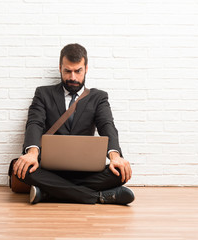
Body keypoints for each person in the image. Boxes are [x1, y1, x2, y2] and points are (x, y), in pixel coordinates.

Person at [13, 43, 135, 205]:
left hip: (84, 172)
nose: (73, 77)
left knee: (119, 172)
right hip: (50, 169)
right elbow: (35, 123)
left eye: (78, 71)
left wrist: (115, 157)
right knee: (22, 169)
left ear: (86, 68)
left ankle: (49, 192)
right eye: (67, 71)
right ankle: (99, 196)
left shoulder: (98, 97)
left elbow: (107, 125)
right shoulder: (43, 94)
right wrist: (32, 153)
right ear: (60, 68)